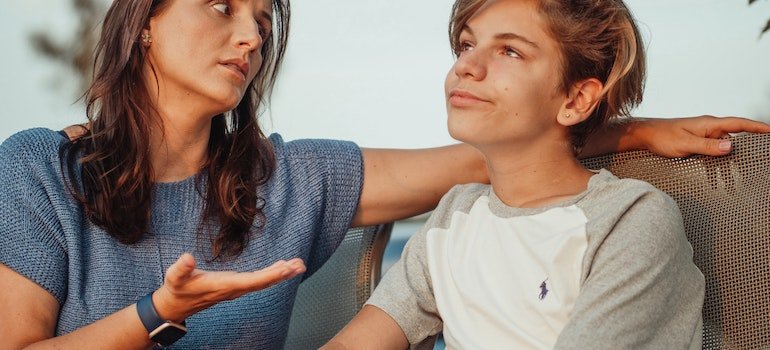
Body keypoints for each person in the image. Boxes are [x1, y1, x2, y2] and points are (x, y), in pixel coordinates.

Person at [0, 0, 767, 349]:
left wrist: (628, 130)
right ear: (142, 24)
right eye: (222, 7)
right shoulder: (38, 169)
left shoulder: (292, 180)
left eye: (262, 24)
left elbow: (500, 155)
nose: (250, 38)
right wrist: (155, 311)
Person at [325, 0, 724, 349]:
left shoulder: (628, 219)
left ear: (576, 99)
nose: (467, 66)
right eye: (466, 44)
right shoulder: (455, 217)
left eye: (510, 51)